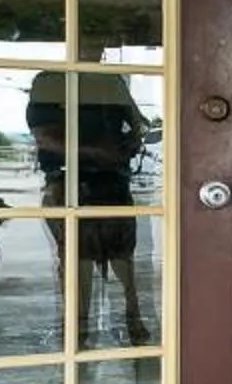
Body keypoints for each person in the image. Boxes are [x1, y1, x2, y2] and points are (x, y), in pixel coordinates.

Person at [26, 69, 152, 344]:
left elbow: (136, 125)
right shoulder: (50, 82)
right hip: (68, 182)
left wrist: (131, 142)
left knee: (122, 258)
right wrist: (99, 152)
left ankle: (132, 321)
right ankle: (78, 329)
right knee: (76, 259)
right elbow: (45, 137)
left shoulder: (111, 81)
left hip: (113, 182)